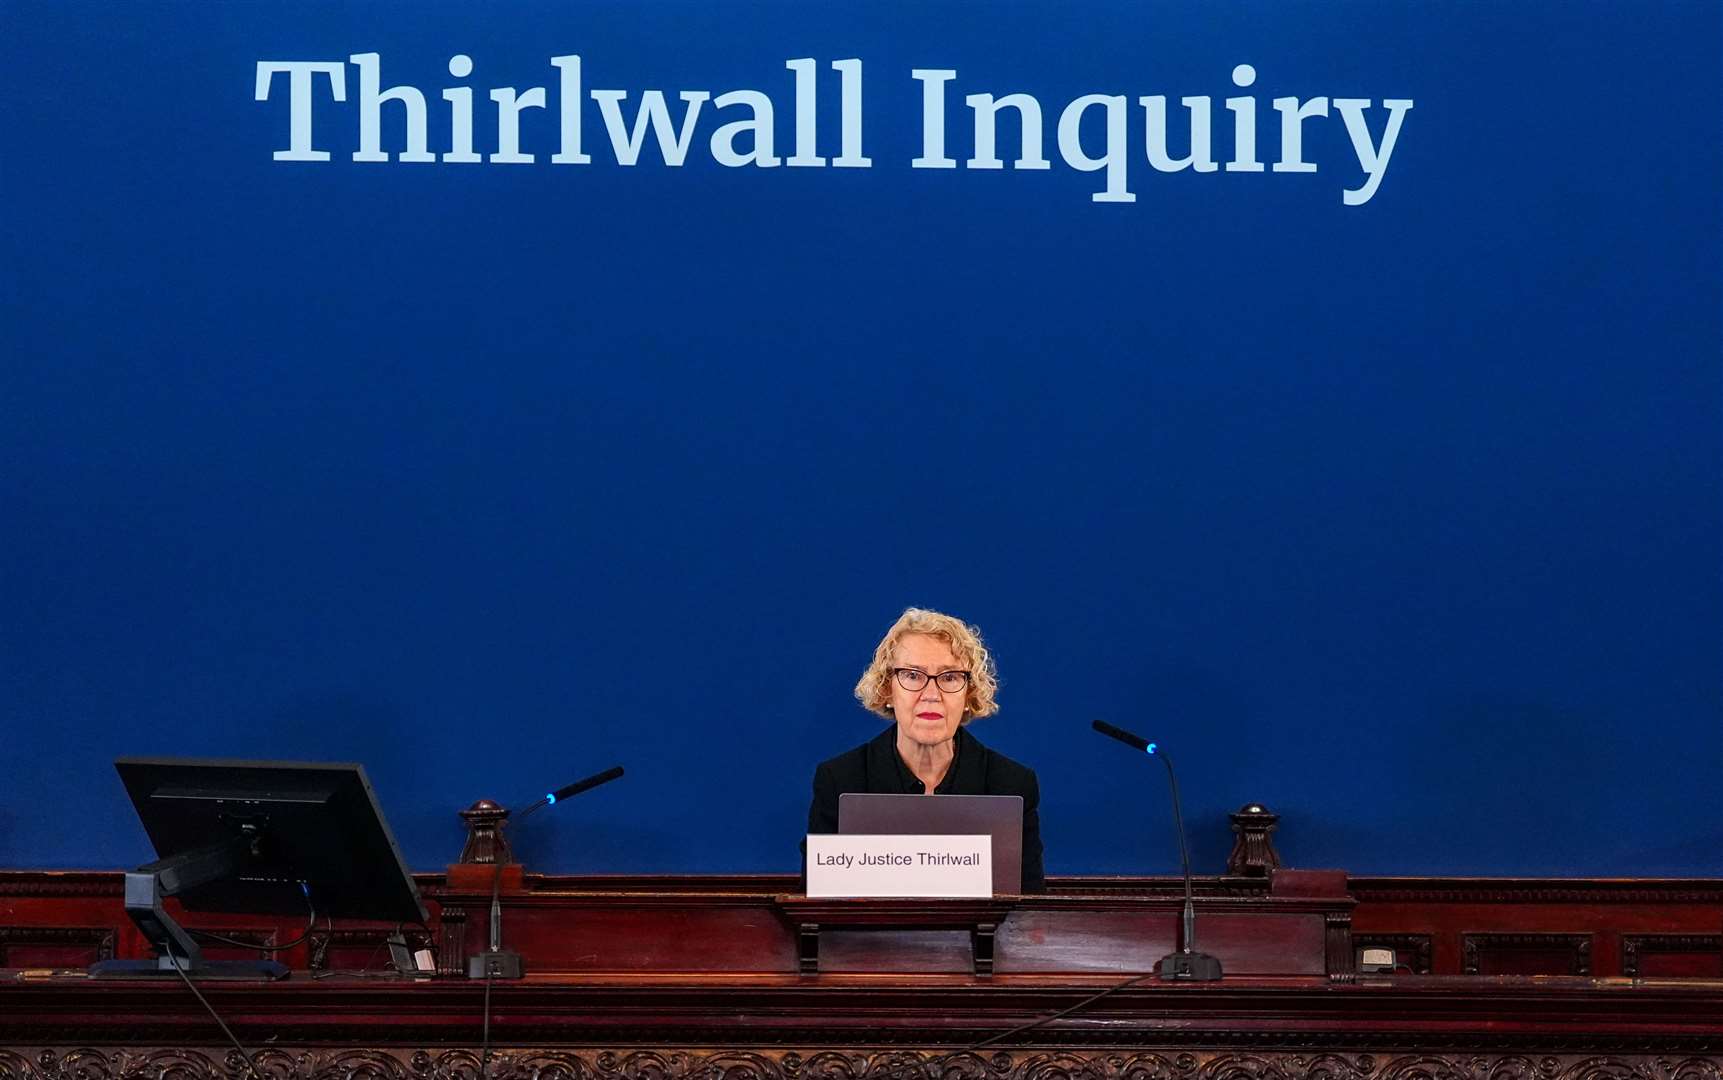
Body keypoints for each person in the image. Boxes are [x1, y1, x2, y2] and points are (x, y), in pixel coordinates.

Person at [807, 607, 1045, 892]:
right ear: (887, 690)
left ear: (969, 695)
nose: (931, 695)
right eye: (912, 675)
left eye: (949, 677)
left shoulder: (1011, 785)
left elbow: (1029, 914)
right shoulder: (840, 780)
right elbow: (816, 908)